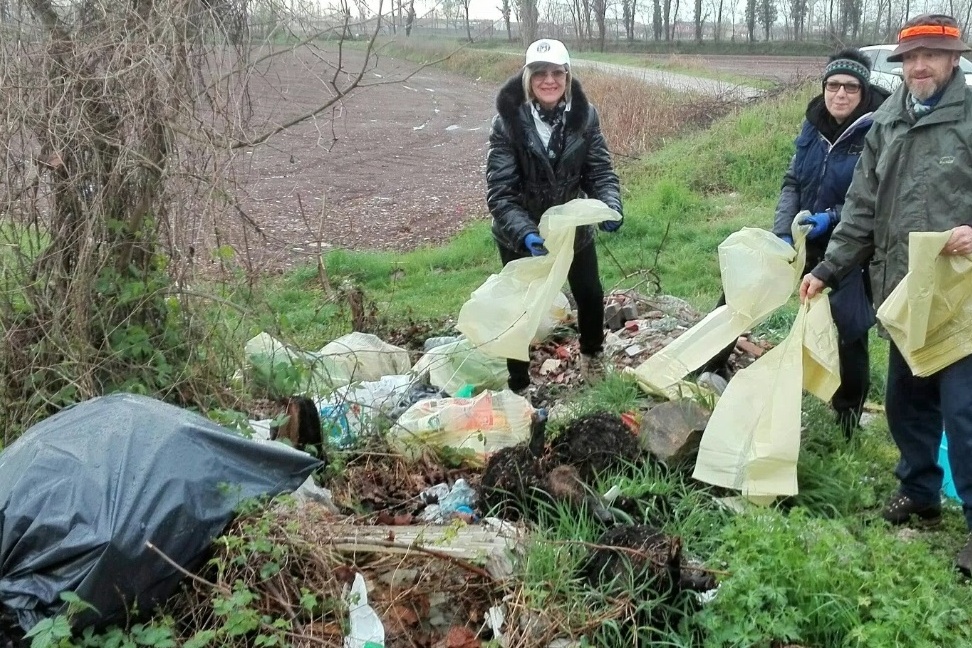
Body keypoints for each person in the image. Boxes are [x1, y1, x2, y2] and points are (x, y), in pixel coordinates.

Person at [799, 14, 972, 574]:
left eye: (931, 56)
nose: (920, 66)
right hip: (900, 290)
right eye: (910, 58)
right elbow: (861, 208)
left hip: (960, 296)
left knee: (965, 412)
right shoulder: (888, 121)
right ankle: (919, 490)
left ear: (953, 60)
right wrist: (828, 269)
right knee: (906, 402)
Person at [702, 48, 889, 438]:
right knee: (743, 287)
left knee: (849, 326)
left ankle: (848, 416)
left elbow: (873, 197)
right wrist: (785, 229)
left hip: (849, 245)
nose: (840, 94)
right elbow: (792, 181)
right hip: (801, 237)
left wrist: (831, 218)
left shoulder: (878, 130)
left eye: (850, 87)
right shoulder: (812, 124)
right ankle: (711, 365)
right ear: (824, 88)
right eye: (833, 85)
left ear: (863, 90)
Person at [485, 38, 623, 396]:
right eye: (540, 73)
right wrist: (526, 234)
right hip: (521, 235)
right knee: (518, 309)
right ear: (528, 78)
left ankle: (592, 359)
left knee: (590, 294)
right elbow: (501, 194)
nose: (549, 81)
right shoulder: (507, 124)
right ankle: (519, 384)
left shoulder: (585, 117)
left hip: (571, 232)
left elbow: (600, 173)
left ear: (567, 76)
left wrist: (610, 204)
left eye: (557, 73)